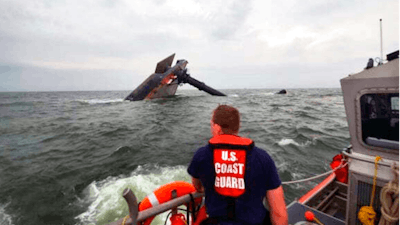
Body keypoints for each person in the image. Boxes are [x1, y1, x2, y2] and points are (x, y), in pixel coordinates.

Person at [187, 105, 288, 225]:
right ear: (237, 127)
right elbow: (278, 212)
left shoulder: (202, 155)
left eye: (211, 125)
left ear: (217, 128)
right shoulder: (263, 158)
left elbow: (197, 186)